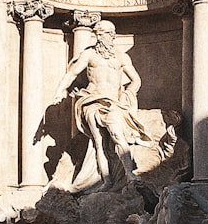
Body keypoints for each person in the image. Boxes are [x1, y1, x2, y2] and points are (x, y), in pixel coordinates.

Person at [52, 20, 153, 190]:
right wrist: (59, 90)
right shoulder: (89, 54)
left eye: (108, 33)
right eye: (103, 33)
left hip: (113, 102)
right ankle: (106, 180)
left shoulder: (122, 56)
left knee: (118, 135)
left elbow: (136, 80)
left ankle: (129, 173)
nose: (106, 36)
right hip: (92, 101)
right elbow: (73, 72)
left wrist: (127, 95)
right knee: (98, 142)